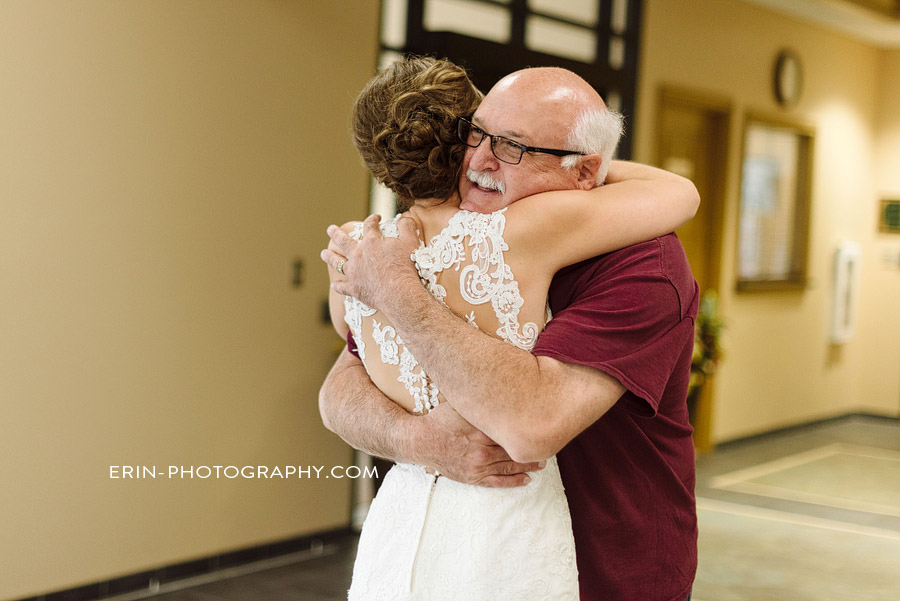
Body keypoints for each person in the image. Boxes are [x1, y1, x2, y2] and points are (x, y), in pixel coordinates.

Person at [321, 58, 699, 601]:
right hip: (416, 544)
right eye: (475, 133)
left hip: (604, 570)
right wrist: (416, 439)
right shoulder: (408, 246)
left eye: (513, 147)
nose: (477, 161)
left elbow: (531, 423)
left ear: (586, 173)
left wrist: (395, 290)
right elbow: (338, 389)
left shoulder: (643, 263)